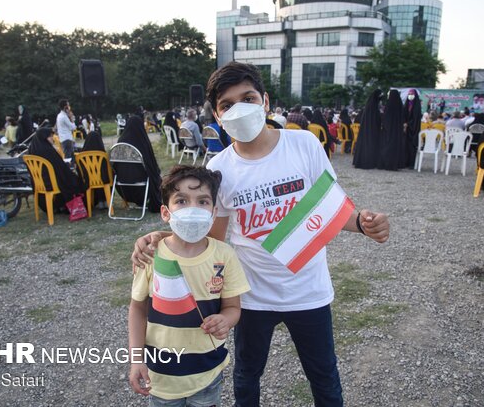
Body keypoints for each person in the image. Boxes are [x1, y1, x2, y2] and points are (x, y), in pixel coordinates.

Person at [132, 62, 390, 407]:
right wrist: (164, 237)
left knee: (324, 377)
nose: (239, 108)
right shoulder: (218, 169)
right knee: (247, 376)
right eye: (227, 104)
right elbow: (214, 236)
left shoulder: (304, 146)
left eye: (248, 97)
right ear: (218, 116)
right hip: (250, 298)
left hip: (308, 291)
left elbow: (329, 210)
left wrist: (363, 222)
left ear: (265, 101)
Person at [128, 165, 250, 405]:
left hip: (207, 373)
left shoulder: (225, 255)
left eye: (202, 201)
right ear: (165, 212)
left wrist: (226, 320)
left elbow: (233, 308)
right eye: (181, 201)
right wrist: (135, 358)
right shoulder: (150, 255)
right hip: (161, 376)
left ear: (214, 212)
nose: (193, 209)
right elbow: (137, 309)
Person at [27, 127, 85, 212]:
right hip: (51, 182)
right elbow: (60, 168)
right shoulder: (47, 150)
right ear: (44, 137)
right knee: (75, 180)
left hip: (39, 183)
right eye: (50, 136)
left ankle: (59, 205)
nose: (52, 138)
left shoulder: (32, 150)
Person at [115, 115, 163, 213]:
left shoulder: (120, 142)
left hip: (122, 185)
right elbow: (151, 165)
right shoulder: (141, 141)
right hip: (141, 183)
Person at [79, 130, 111, 210]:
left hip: (88, 181)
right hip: (104, 181)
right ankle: (105, 200)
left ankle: (97, 201)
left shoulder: (81, 156)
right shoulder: (102, 155)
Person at [353, 89, 383, 169]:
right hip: (372, 131)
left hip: (366, 131)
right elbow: (377, 120)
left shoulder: (368, 107)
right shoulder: (374, 108)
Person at [379, 89, 405, 170]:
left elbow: (385, 118)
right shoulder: (400, 105)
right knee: (395, 148)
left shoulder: (388, 105)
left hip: (388, 131)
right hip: (397, 132)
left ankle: (386, 164)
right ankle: (394, 165)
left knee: (386, 147)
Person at [403, 88, 422, 169]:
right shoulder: (406, 104)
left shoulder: (417, 106)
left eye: (412, 94)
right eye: (409, 94)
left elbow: (416, 118)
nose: (410, 96)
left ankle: (411, 163)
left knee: (411, 146)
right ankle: (404, 162)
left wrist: (408, 124)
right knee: (405, 145)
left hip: (413, 129)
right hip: (405, 129)